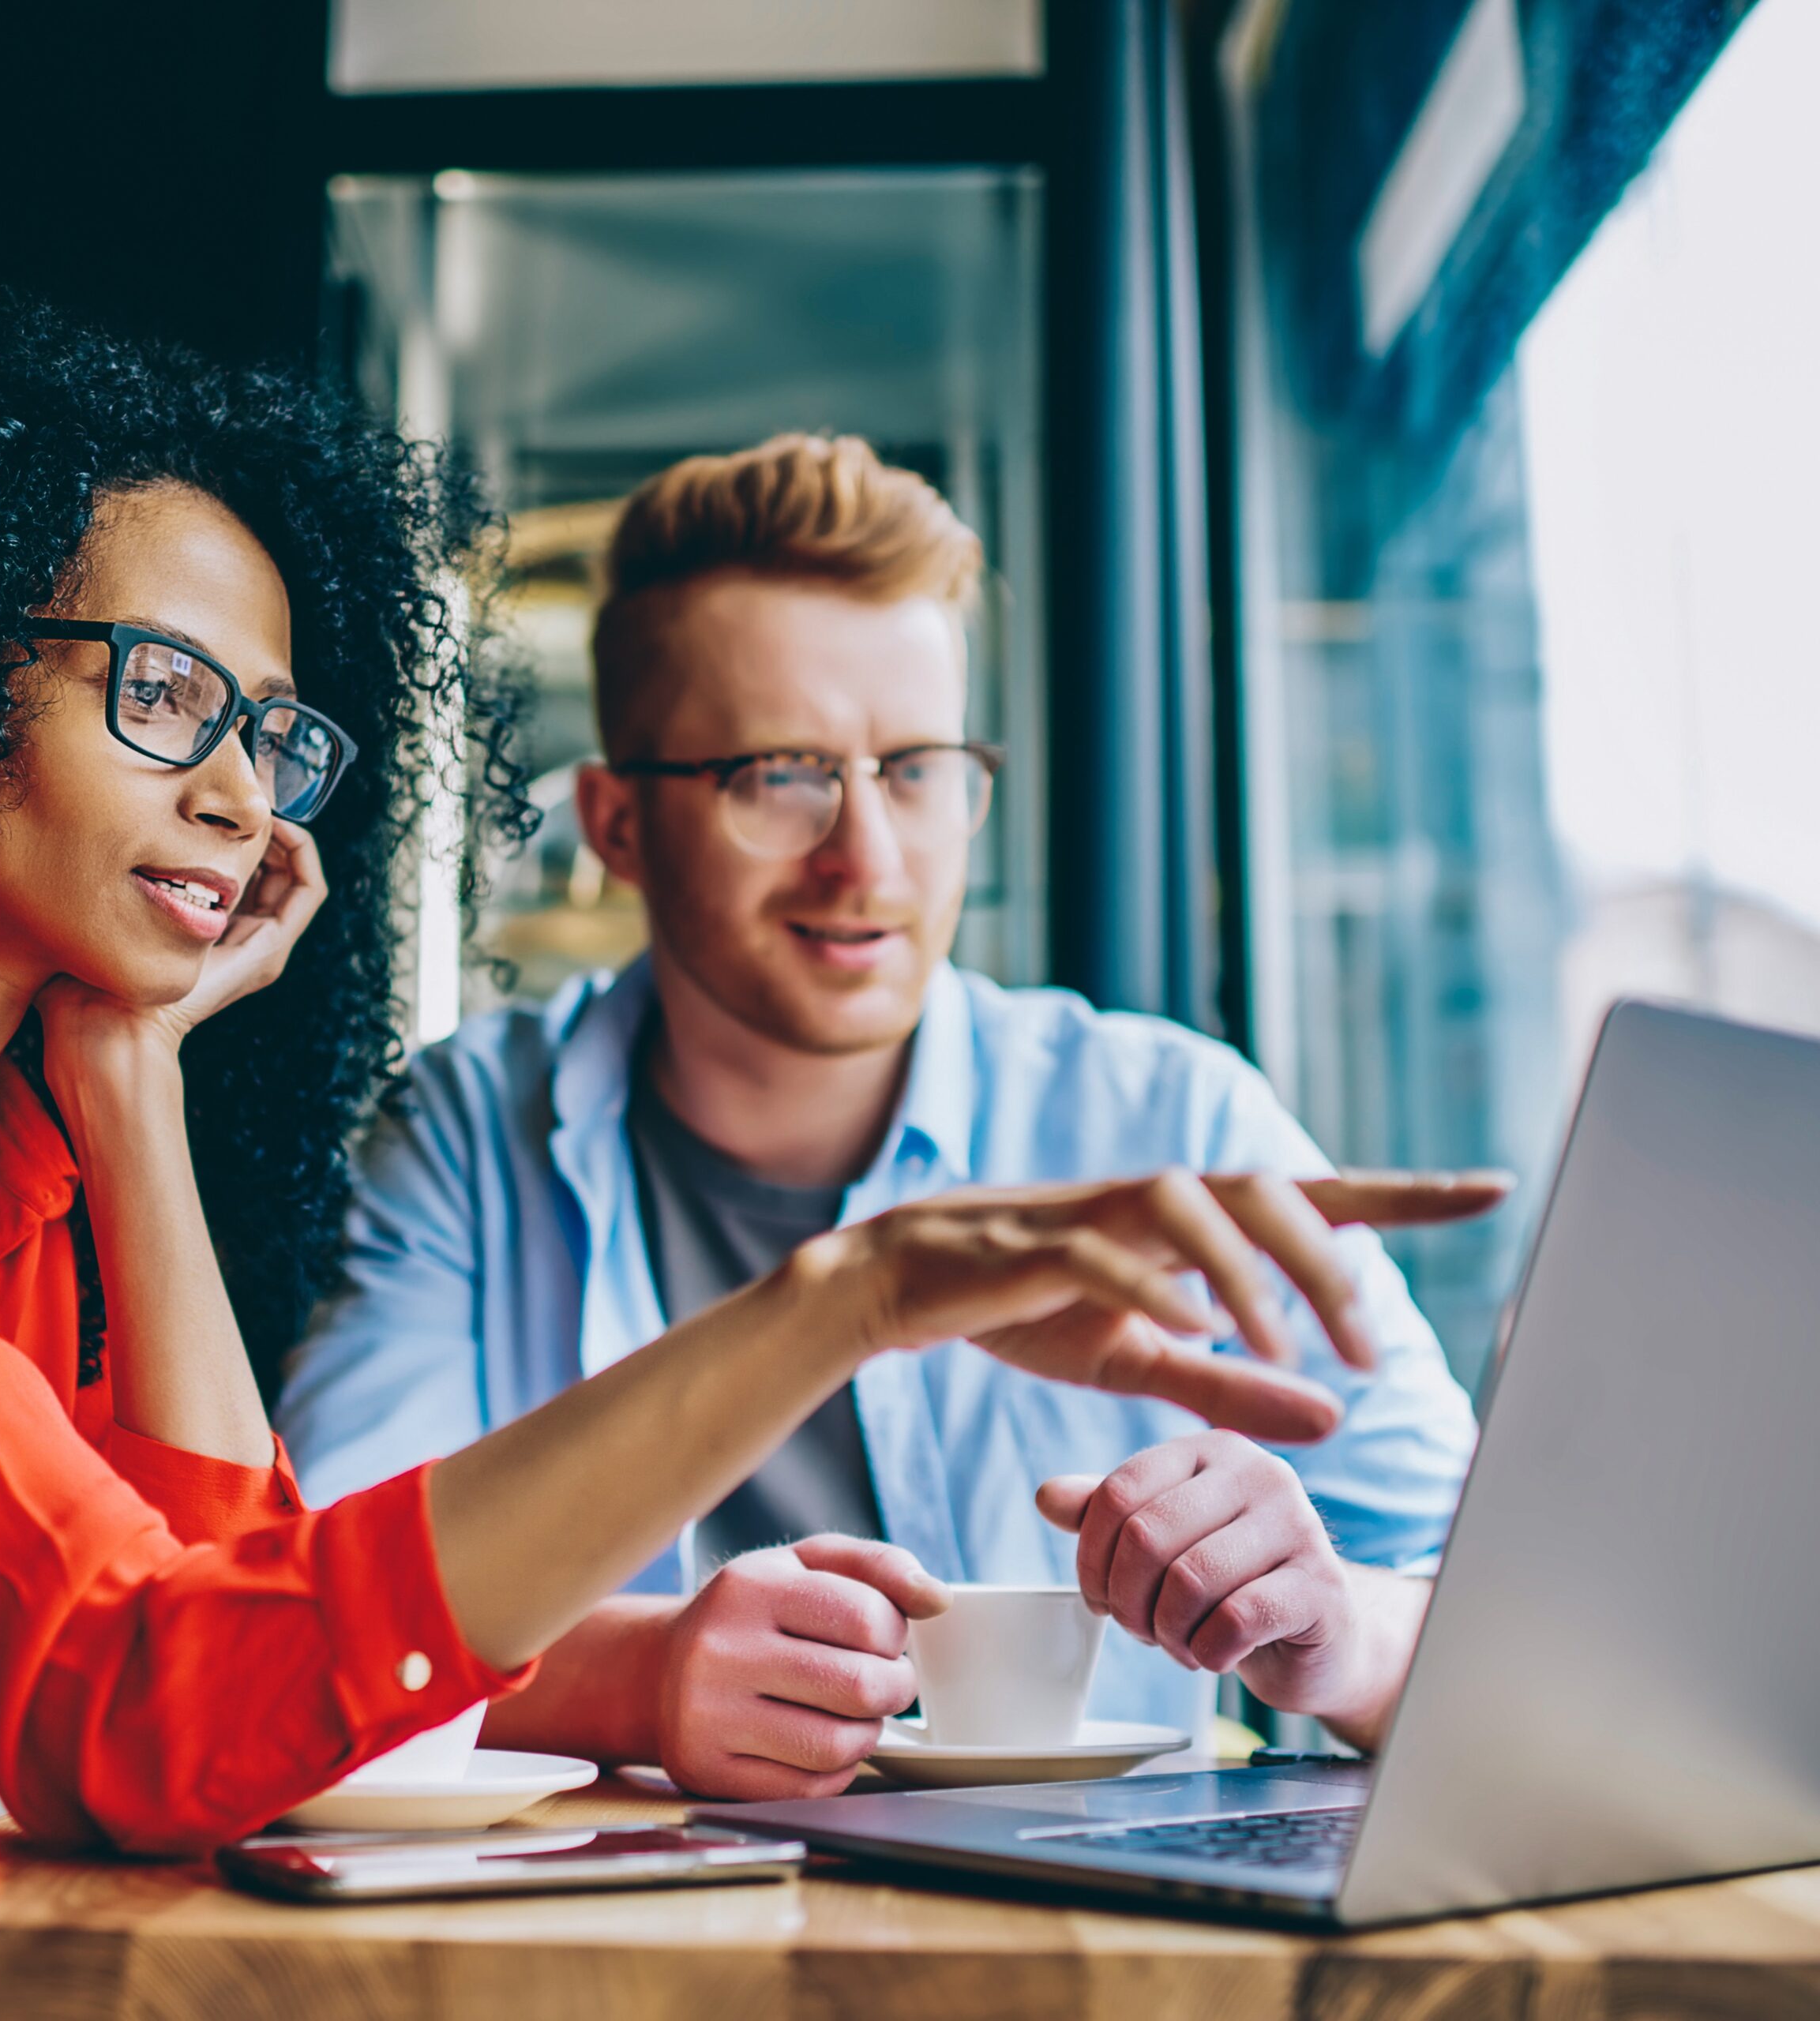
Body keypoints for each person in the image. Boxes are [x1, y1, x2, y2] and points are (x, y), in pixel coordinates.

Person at [0, 302, 1478, 1890]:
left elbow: (236, 1636)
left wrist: (131, 1068)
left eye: (918, 772)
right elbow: (208, 1679)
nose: (243, 792)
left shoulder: (25, 1171)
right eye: (165, 694)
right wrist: (849, 1303)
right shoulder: (451, 1129)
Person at [279, 433, 1503, 1802]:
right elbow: (311, 1617)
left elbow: (1509, 1622)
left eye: (917, 769)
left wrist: (1335, 1634)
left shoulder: (1170, 1117)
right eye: (780, 776)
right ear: (618, 826)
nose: (868, 857)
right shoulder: (467, 1132)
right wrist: (643, 1675)